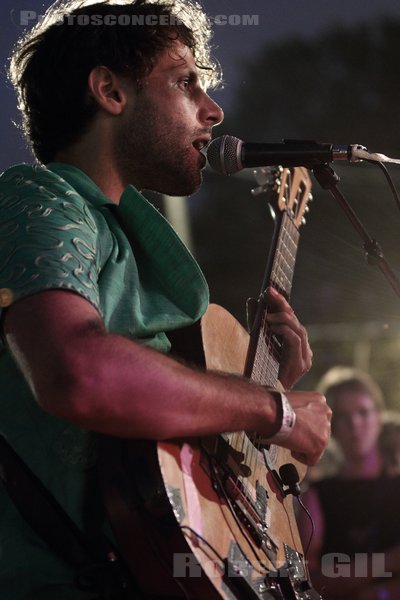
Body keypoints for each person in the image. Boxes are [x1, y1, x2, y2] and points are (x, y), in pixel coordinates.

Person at [0, 1, 331, 598]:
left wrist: (259, 400)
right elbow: (78, 372)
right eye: (185, 82)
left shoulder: (124, 237)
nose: (214, 111)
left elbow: (160, 467)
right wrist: (271, 409)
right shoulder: (38, 198)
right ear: (110, 91)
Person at [298, 366, 400, 600]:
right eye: (343, 416)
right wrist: (388, 561)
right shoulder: (317, 496)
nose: (354, 424)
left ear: (378, 416)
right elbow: (305, 581)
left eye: (363, 412)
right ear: (330, 426)